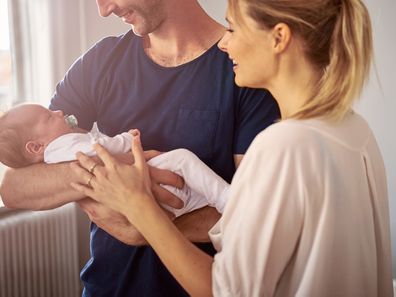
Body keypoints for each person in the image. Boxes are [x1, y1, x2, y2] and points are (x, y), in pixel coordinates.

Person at [70, 0, 393, 296]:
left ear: (278, 38)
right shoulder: (352, 128)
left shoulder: (284, 145)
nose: (224, 43)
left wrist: (140, 209)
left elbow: (227, 291)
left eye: (234, 28)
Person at [0, 0, 279, 296]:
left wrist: (147, 224)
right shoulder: (100, 63)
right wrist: (109, 175)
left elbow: (259, 216)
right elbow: (13, 186)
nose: (104, 9)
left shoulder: (244, 71)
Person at [0, 103, 229, 216]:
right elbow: (103, 150)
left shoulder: (56, 152)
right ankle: (229, 201)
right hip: (142, 190)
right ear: (36, 146)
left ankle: (221, 203)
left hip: (146, 206)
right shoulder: (63, 145)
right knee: (182, 160)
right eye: (49, 117)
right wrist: (128, 139)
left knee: (194, 188)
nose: (59, 112)